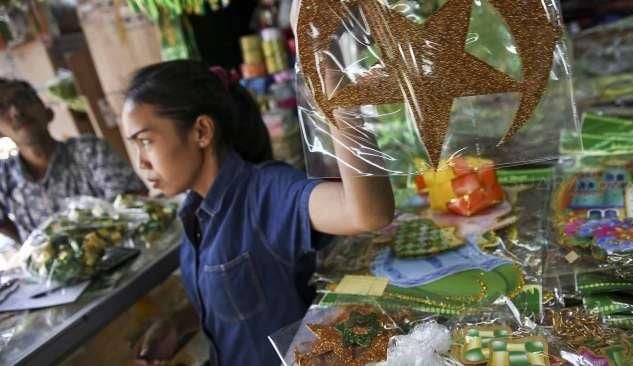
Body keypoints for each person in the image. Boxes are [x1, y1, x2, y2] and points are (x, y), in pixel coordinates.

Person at [123, 59, 394, 365]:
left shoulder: (267, 192)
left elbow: (368, 213)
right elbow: (238, 301)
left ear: (201, 131)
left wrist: (328, 67)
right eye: (134, 147)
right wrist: (179, 324)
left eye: (145, 142)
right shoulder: (193, 213)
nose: (140, 163)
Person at [0, 78, 147, 244]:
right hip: (52, 268)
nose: (16, 111)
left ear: (46, 111)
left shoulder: (89, 150)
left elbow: (133, 200)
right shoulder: (3, 176)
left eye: (23, 99)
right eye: (2, 107)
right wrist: (33, 249)